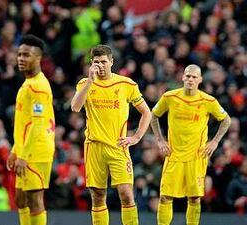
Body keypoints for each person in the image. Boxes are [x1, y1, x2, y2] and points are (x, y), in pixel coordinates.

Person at [71, 44, 152, 225]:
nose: (100, 65)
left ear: (112, 62)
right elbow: (75, 107)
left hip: (118, 146)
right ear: (91, 63)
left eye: (104, 62)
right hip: (94, 146)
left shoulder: (127, 85)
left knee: (126, 193)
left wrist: (136, 137)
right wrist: (90, 81)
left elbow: (147, 112)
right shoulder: (84, 84)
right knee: (98, 196)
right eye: (97, 62)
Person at [150, 64, 231, 225]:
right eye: (187, 76)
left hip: (196, 156)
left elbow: (226, 120)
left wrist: (214, 142)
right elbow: (154, 115)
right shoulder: (170, 97)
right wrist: (160, 140)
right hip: (174, 154)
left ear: (200, 79)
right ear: (182, 77)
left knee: (194, 198)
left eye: (194, 77)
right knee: (165, 196)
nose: (190, 79)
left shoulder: (208, 100)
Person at [7, 35, 55, 225]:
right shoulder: (28, 84)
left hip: (36, 152)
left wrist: (24, 155)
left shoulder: (39, 87)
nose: (21, 59)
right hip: (25, 149)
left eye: (26, 55)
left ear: (38, 58)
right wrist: (15, 150)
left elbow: (38, 124)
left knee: (35, 200)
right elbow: (24, 124)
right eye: (19, 54)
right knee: (20, 199)